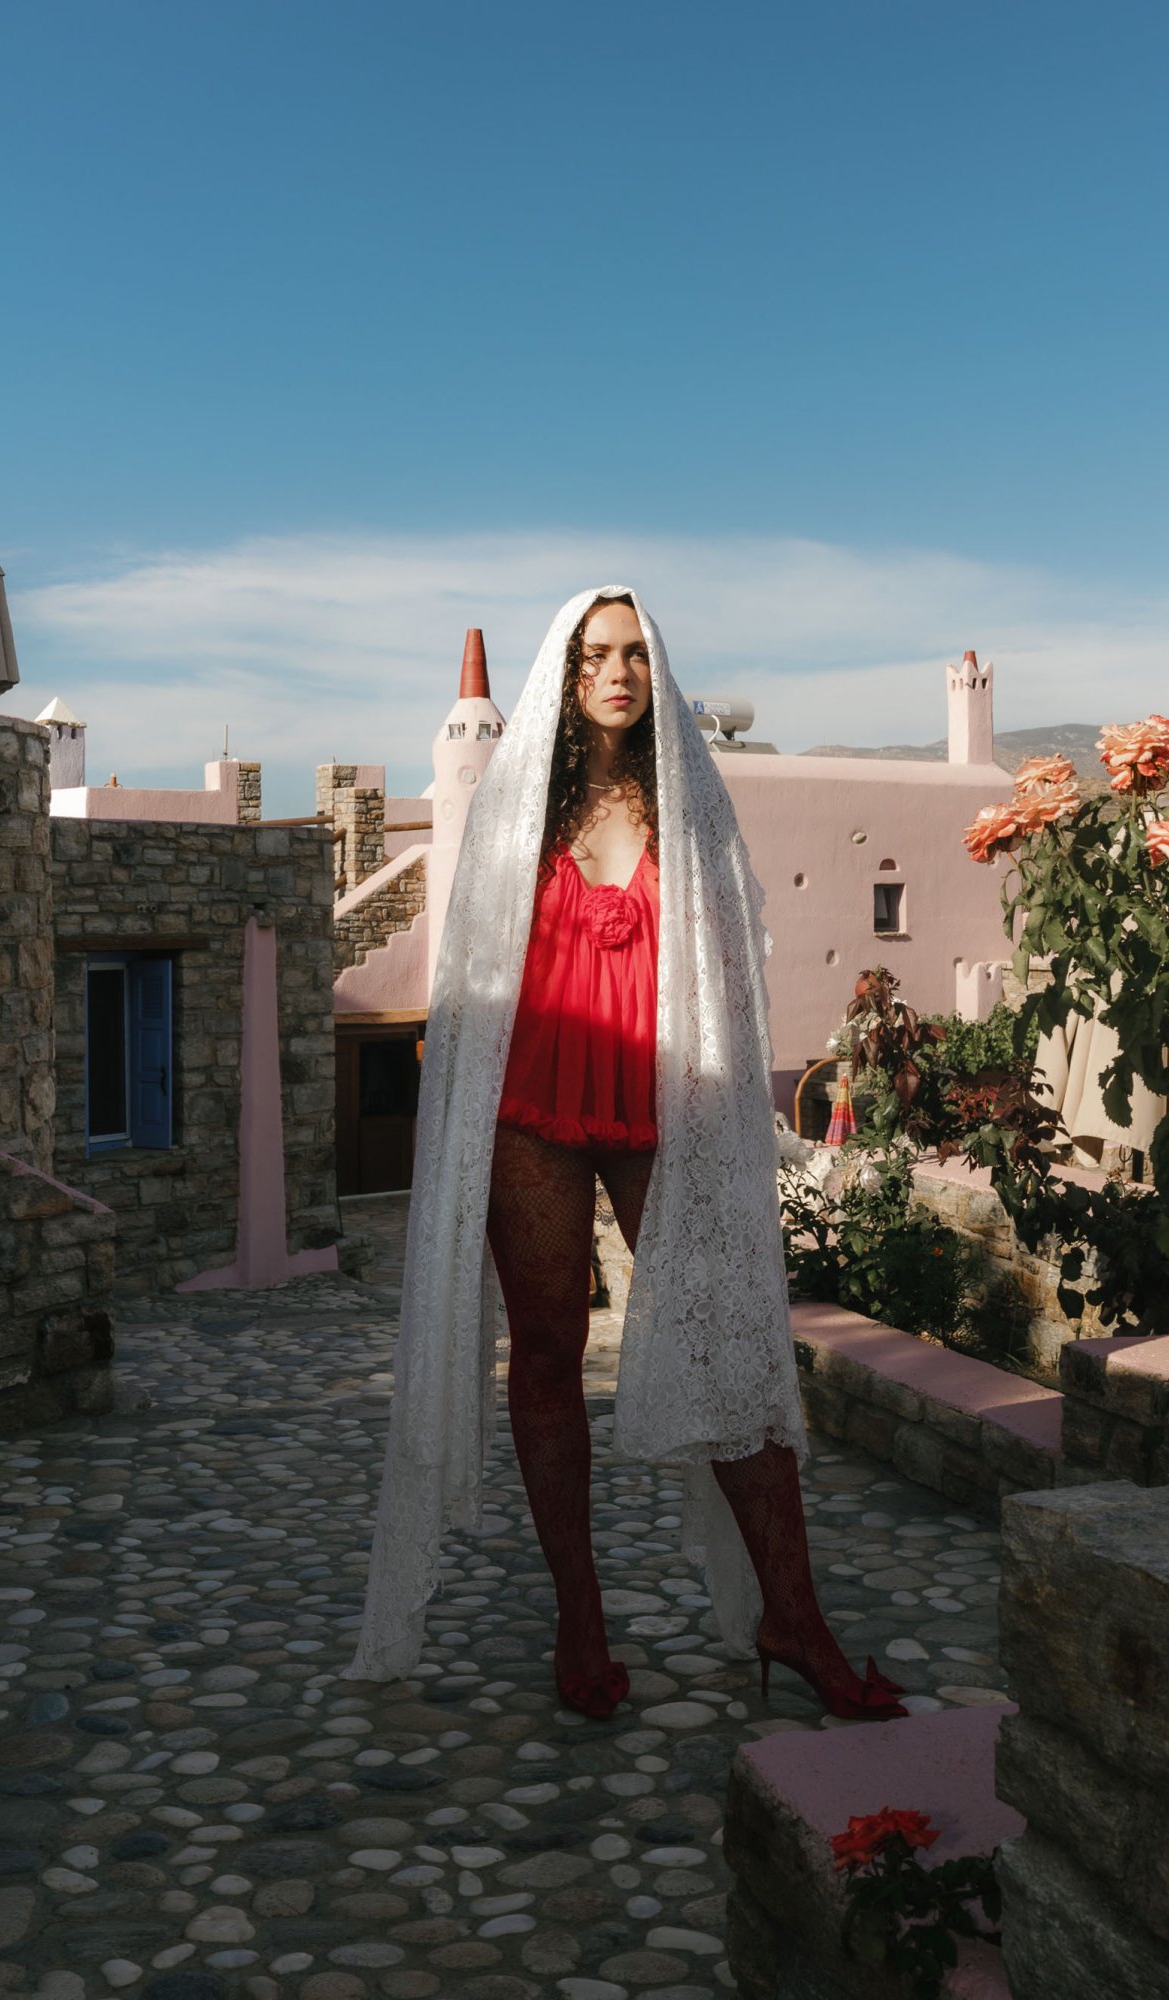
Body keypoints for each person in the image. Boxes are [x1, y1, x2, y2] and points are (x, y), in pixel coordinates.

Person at [349, 587, 906, 1726]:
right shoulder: (515, 809)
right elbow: (469, 980)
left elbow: (727, 977)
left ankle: (791, 1613)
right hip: (529, 1114)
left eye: (634, 654)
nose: (615, 672)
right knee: (548, 1356)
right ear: (565, 671)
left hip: (666, 1106)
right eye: (596, 654)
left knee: (731, 1342)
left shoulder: (688, 809)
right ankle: (579, 1614)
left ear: (657, 671)